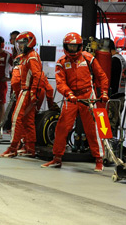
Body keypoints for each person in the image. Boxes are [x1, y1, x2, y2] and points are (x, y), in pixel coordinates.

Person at [41, 32, 109, 172]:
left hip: (88, 96)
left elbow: (102, 76)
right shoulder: (61, 62)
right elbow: (60, 83)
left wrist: (104, 92)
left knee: (93, 129)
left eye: (75, 46)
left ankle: (99, 159)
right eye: (70, 47)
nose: (72, 49)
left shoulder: (89, 58)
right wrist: (69, 93)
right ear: (66, 46)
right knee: (62, 127)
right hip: (71, 97)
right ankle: (57, 158)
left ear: (80, 46)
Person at [0, 31, 45, 158]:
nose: (20, 46)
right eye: (19, 43)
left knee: (16, 119)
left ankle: (13, 147)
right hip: (26, 91)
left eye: (23, 43)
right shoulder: (26, 56)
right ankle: (30, 147)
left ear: (30, 42)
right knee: (27, 120)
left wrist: (32, 93)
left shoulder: (31, 56)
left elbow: (37, 76)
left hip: (27, 91)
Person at [108, 39, 126, 136]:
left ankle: (110, 147)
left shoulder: (114, 60)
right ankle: (113, 146)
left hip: (114, 98)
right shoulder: (121, 59)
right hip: (120, 96)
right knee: (115, 124)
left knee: (110, 125)